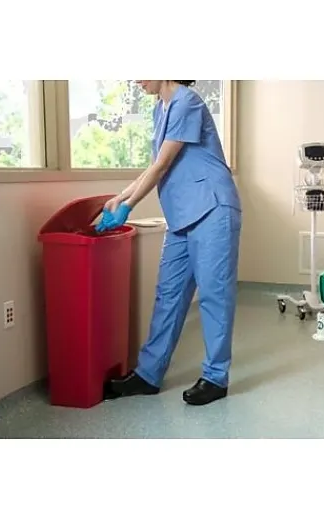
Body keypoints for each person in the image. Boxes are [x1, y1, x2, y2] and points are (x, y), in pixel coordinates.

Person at [96, 81, 242, 406]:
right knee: (168, 295)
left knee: (214, 295)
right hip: (182, 214)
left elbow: (162, 164)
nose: (136, 79)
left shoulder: (187, 102)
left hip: (212, 207)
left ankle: (215, 377)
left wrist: (129, 206)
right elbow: (155, 165)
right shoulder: (159, 109)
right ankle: (148, 375)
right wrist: (120, 197)